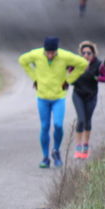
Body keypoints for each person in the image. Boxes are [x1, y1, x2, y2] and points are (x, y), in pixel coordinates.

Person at [18, 37, 88, 168]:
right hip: (42, 97)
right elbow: (22, 60)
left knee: (58, 125)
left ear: (56, 51)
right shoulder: (37, 54)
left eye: (53, 52)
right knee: (44, 126)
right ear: (44, 50)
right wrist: (35, 78)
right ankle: (45, 157)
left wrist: (69, 80)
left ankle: (56, 150)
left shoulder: (64, 56)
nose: (50, 55)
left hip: (58, 97)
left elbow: (83, 63)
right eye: (48, 52)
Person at [71, 41, 105, 159]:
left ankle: (85, 146)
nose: (86, 55)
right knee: (81, 120)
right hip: (78, 94)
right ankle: (78, 147)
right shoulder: (77, 63)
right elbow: (68, 74)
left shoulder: (98, 64)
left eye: (89, 53)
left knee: (87, 121)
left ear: (93, 54)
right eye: (84, 53)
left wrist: (96, 77)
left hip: (91, 96)